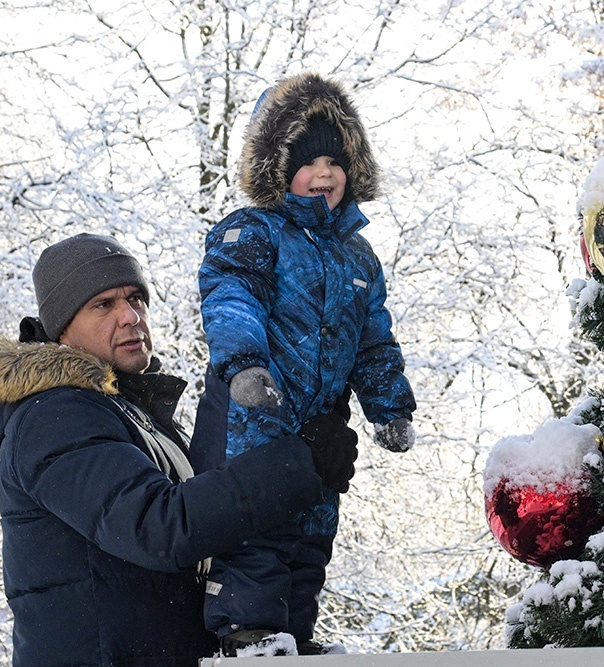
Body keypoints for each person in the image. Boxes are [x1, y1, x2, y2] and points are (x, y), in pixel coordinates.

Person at [0, 232, 358, 667]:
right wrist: (299, 463)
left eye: (136, 299)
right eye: (104, 305)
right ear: (62, 326)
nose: (130, 317)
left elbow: (206, 518)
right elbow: (157, 527)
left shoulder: (129, 413)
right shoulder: (53, 415)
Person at [198, 72, 418, 655]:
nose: (325, 174)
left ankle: (295, 634)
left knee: (311, 536)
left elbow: (374, 339)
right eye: (308, 161)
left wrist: (389, 405)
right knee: (257, 535)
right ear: (276, 169)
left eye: (336, 161)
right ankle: (247, 633)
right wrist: (244, 364)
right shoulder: (255, 233)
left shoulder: (359, 258)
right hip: (256, 423)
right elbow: (231, 297)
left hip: (322, 429)